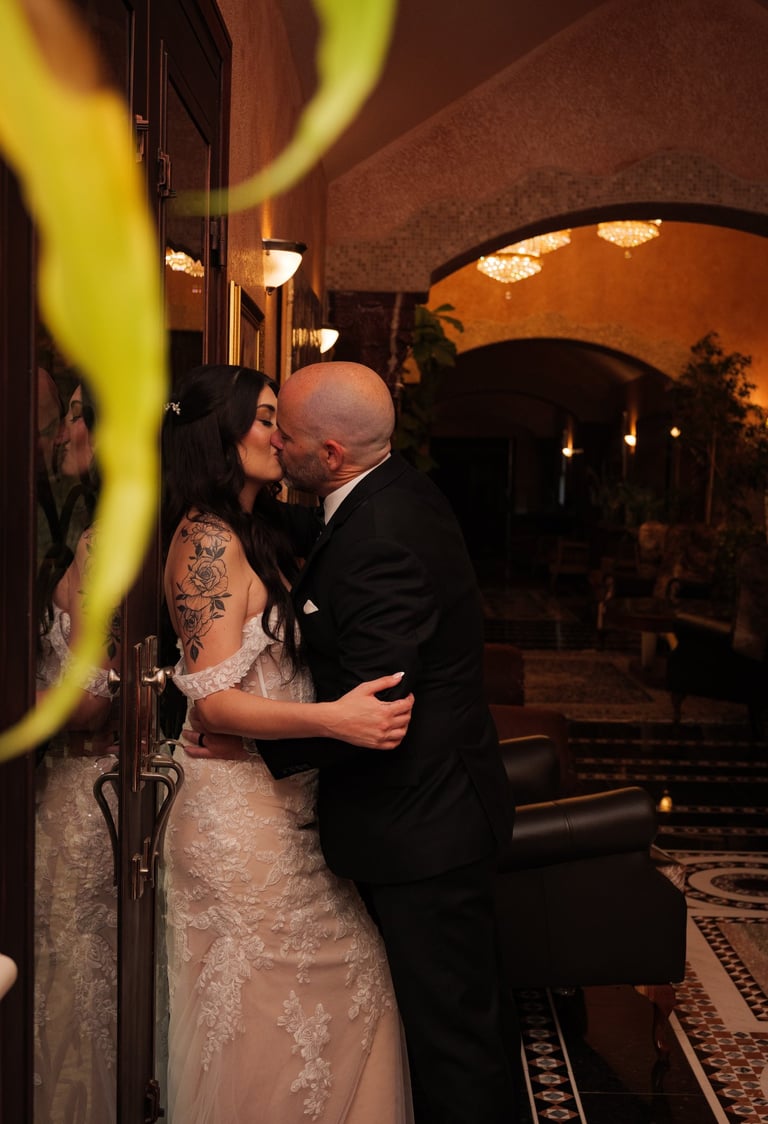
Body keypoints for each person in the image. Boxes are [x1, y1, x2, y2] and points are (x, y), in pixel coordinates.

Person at [242, 360, 515, 1124]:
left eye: (284, 434)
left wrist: (251, 744)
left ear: (328, 455)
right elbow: (322, 535)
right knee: (444, 1034)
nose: (275, 444)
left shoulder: (384, 536)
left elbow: (376, 710)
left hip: (425, 827)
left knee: (451, 1047)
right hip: (430, 810)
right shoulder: (384, 490)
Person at [160, 363, 415, 1124]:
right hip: (237, 825)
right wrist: (334, 719)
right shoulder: (203, 544)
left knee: (337, 994)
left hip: (276, 806)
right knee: (278, 1009)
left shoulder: (255, 530)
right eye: (267, 418)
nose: (282, 435)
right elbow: (211, 697)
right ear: (220, 434)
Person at [34, 380, 121, 1124]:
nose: (62, 432)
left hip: (86, 787)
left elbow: (91, 696)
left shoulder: (103, 542)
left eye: (71, 415)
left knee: (75, 976)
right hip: (102, 786)